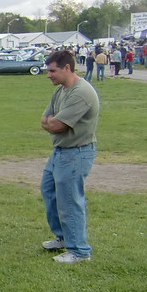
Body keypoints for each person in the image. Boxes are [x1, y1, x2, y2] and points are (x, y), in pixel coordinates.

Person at [39, 49, 100, 263]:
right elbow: (45, 119)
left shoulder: (81, 92)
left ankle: (80, 251)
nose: (49, 75)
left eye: (52, 71)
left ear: (67, 68)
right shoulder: (61, 90)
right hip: (59, 152)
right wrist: (51, 122)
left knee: (69, 200)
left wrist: (52, 123)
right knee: (49, 192)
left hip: (77, 153)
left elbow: (56, 125)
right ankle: (63, 238)